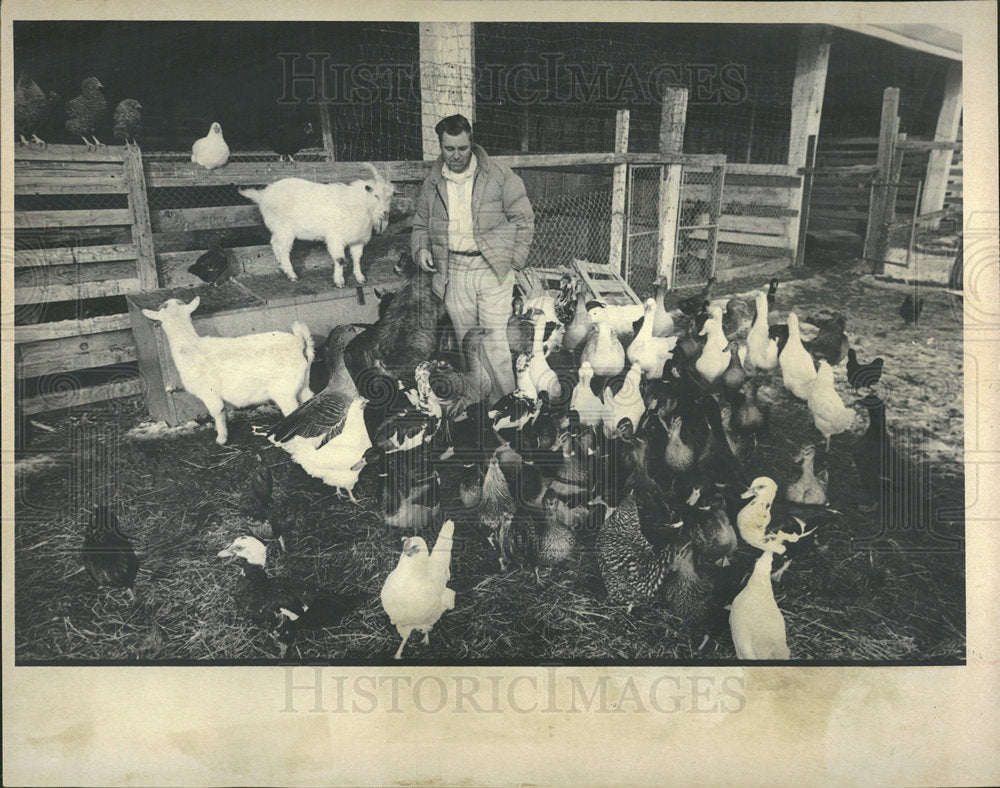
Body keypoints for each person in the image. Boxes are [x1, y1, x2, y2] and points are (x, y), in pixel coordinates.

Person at [411, 114, 535, 400]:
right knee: (469, 344)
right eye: (449, 149)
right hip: (453, 270)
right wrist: (421, 250)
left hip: (492, 267)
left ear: (471, 143)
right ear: (440, 146)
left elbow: (524, 217)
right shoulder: (433, 181)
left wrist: (513, 261)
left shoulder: (500, 175)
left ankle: (508, 408)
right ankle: (481, 411)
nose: (455, 156)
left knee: (495, 344)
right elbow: (420, 224)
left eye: (462, 148)